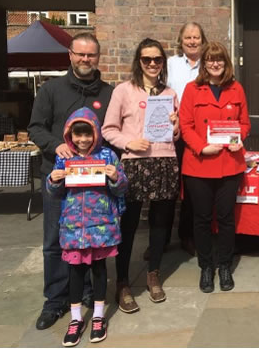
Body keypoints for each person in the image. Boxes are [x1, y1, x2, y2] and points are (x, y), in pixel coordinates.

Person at [28, 33, 113, 330]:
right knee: (54, 242)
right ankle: (55, 299)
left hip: (95, 183)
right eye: (80, 54)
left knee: (91, 239)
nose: (85, 59)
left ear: (98, 57)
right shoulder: (51, 90)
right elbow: (35, 128)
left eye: (90, 55)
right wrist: (55, 145)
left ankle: (88, 293)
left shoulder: (109, 93)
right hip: (60, 178)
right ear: (70, 55)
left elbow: (114, 131)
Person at [102, 38, 180, 312]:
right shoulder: (123, 91)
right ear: (139, 62)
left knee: (161, 224)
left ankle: (153, 274)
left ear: (162, 63)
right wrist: (128, 143)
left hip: (164, 162)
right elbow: (108, 129)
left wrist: (175, 125)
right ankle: (122, 282)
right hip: (135, 164)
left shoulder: (169, 93)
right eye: (147, 59)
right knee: (129, 224)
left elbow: (174, 134)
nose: (152, 64)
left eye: (157, 59)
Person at [46, 107, 128, 346]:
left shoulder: (108, 156)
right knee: (75, 272)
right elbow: (54, 192)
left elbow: (122, 188)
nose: (83, 140)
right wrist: (53, 179)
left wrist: (116, 177)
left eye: (87, 134)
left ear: (96, 133)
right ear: (69, 136)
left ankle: (99, 317)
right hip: (73, 227)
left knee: (100, 269)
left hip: (100, 226)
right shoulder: (64, 159)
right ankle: (75, 319)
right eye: (77, 135)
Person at [179, 41, 251, 293]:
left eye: (219, 59)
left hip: (229, 164)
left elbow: (244, 123)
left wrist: (238, 139)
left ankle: (224, 265)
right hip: (199, 164)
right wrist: (201, 147)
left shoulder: (236, 88)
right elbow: (185, 125)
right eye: (210, 59)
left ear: (226, 62)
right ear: (204, 62)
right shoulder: (192, 89)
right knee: (201, 218)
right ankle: (206, 266)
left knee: (226, 218)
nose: (215, 63)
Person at [164, 21, 209, 257]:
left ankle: (187, 235)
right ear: (180, 41)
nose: (192, 41)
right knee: (169, 186)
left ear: (203, 41)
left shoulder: (209, 66)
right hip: (172, 134)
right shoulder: (170, 65)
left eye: (197, 38)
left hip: (197, 135)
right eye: (188, 38)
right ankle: (160, 240)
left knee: (193, 188)